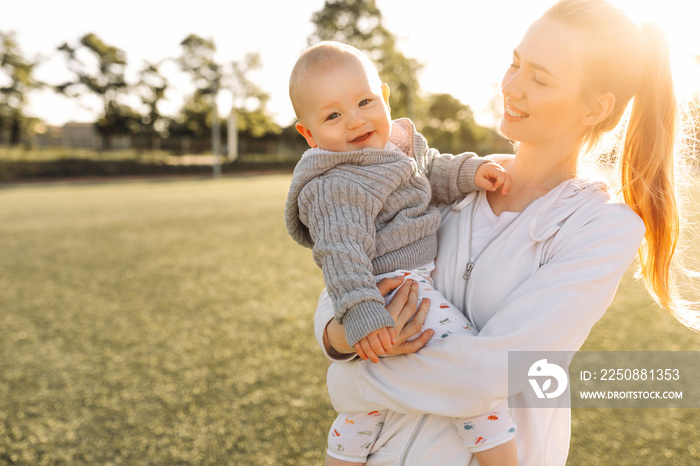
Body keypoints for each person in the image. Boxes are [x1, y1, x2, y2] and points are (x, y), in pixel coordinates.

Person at [315, 0, 698, 464]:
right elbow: (344, 280)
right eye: (515, 63)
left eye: (540, 77)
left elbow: (485, 377)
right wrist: (337, 338)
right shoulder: (447, 178)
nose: (512, 86)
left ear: (596, 108)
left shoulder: (604, 227)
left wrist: (347, 379)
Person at [285, 42, 519, 465]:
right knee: (472, 373)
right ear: (308, 133)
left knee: (367, 412)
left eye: (364, 102)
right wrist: (362, 313)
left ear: (384, 97)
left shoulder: (397, 148)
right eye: (333, 115)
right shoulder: (336, 183)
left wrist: (470, 172)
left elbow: (433, 172)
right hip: (387, 288)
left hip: (407, 281)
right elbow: (341, 255)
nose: (355, 121)